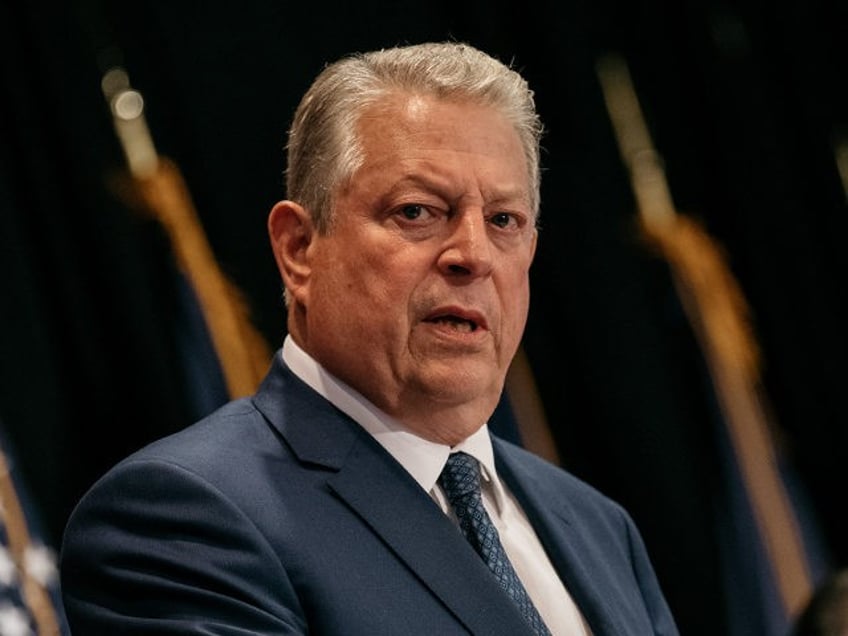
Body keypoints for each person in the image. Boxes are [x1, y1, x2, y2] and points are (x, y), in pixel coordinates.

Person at [60, 42, 679, 635]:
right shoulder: (183, 518)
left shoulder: (600, 529)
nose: (473, 255)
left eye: (503, 220)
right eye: (416, 211)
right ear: (299, 250)